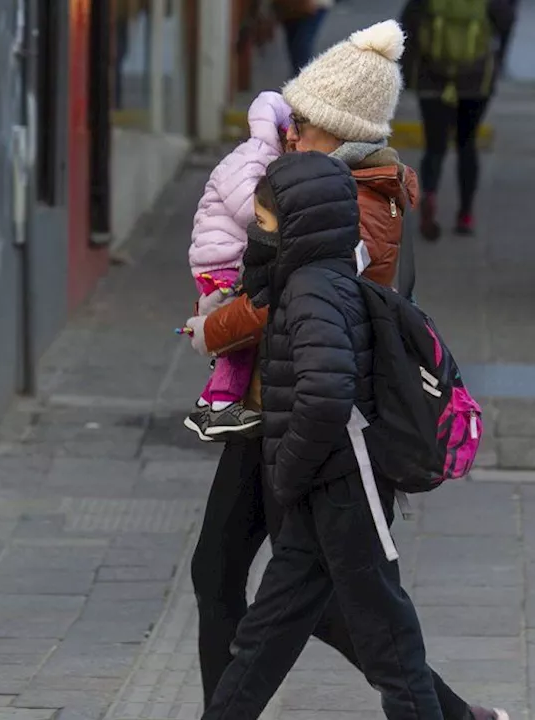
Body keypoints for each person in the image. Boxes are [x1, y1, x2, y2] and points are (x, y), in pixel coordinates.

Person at [183, 20, 509, 720]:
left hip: (309, 422)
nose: (289, 130)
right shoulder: (331, 185)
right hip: (287, 409)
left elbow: (300, 307)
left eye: (302, 119)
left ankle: (450, 713)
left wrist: (214, 326)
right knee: (270, 584)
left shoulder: (350, 204)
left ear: (336, 126)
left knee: (317, 594)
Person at [200, 151, 433, 720]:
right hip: (321, 482)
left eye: (266, 221)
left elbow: (327, 394)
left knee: (385, 634)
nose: (257, 232)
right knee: (268, 632)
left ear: (299, 223)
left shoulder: (311, 290)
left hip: (343, 482)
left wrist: (288, 470)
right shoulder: (315, 280)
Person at [184, 91, 292, 441]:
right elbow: (248, 208)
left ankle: (207, 401)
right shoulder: (254, 157)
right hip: (222, 261)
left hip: (218, 257)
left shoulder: (258, 156)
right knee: (238, 336)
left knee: (230, 326)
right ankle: (224, 406)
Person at [401, 0, 517, 239]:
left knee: (434, 146)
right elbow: (506, 22)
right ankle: (465, 214)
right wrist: (498, 60)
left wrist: (411, 68)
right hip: (476, 78)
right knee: (467, 143)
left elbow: (408, 23)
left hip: (432, 78)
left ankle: (430, 193)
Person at [271, 0, 335, 74]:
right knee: (295, 47)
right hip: (288, 8)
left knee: (301, 47)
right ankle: (300, 76)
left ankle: (303, 77)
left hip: (310, 6)